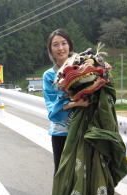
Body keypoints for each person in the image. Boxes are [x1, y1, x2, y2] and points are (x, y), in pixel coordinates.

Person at [42, 29, 90, 174]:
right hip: (61, 133)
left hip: (84, 130)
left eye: (64, 43)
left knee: (83, 175)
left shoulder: (84, 68)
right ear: (50, 49)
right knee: (62, 173)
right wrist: (76, 103)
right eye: (55, 45)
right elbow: (52, 110)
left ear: (70, 45)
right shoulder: (49, 76)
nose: (60, 48)